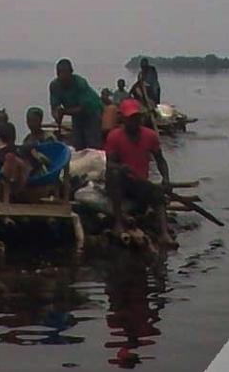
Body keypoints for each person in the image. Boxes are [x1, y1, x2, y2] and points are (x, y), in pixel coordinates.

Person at [104, 99, 175, 247]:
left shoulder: (150, 136)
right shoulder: (114, 136)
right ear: (123, 119)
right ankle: (118, 223)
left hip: (139, 181)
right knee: (115, 176)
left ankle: (164, 233)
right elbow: (109, 164)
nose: (134, 122)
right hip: (120, 180)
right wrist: (121, 167)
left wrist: (166, 179)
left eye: (136, 118)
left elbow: (160, 160)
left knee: (157, 193)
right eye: (130, 119)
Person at [49, 59, 104, 150]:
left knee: (92, 142)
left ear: (71, 72)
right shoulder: (54, 86)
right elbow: (54, 107)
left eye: (66, 73)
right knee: (78, 143)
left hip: (92, 110)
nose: (63, 77)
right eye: (60, 73)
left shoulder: (80, 83)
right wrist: (57, 116)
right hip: (76, 114)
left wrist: (64, 112)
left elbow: (82, 108)